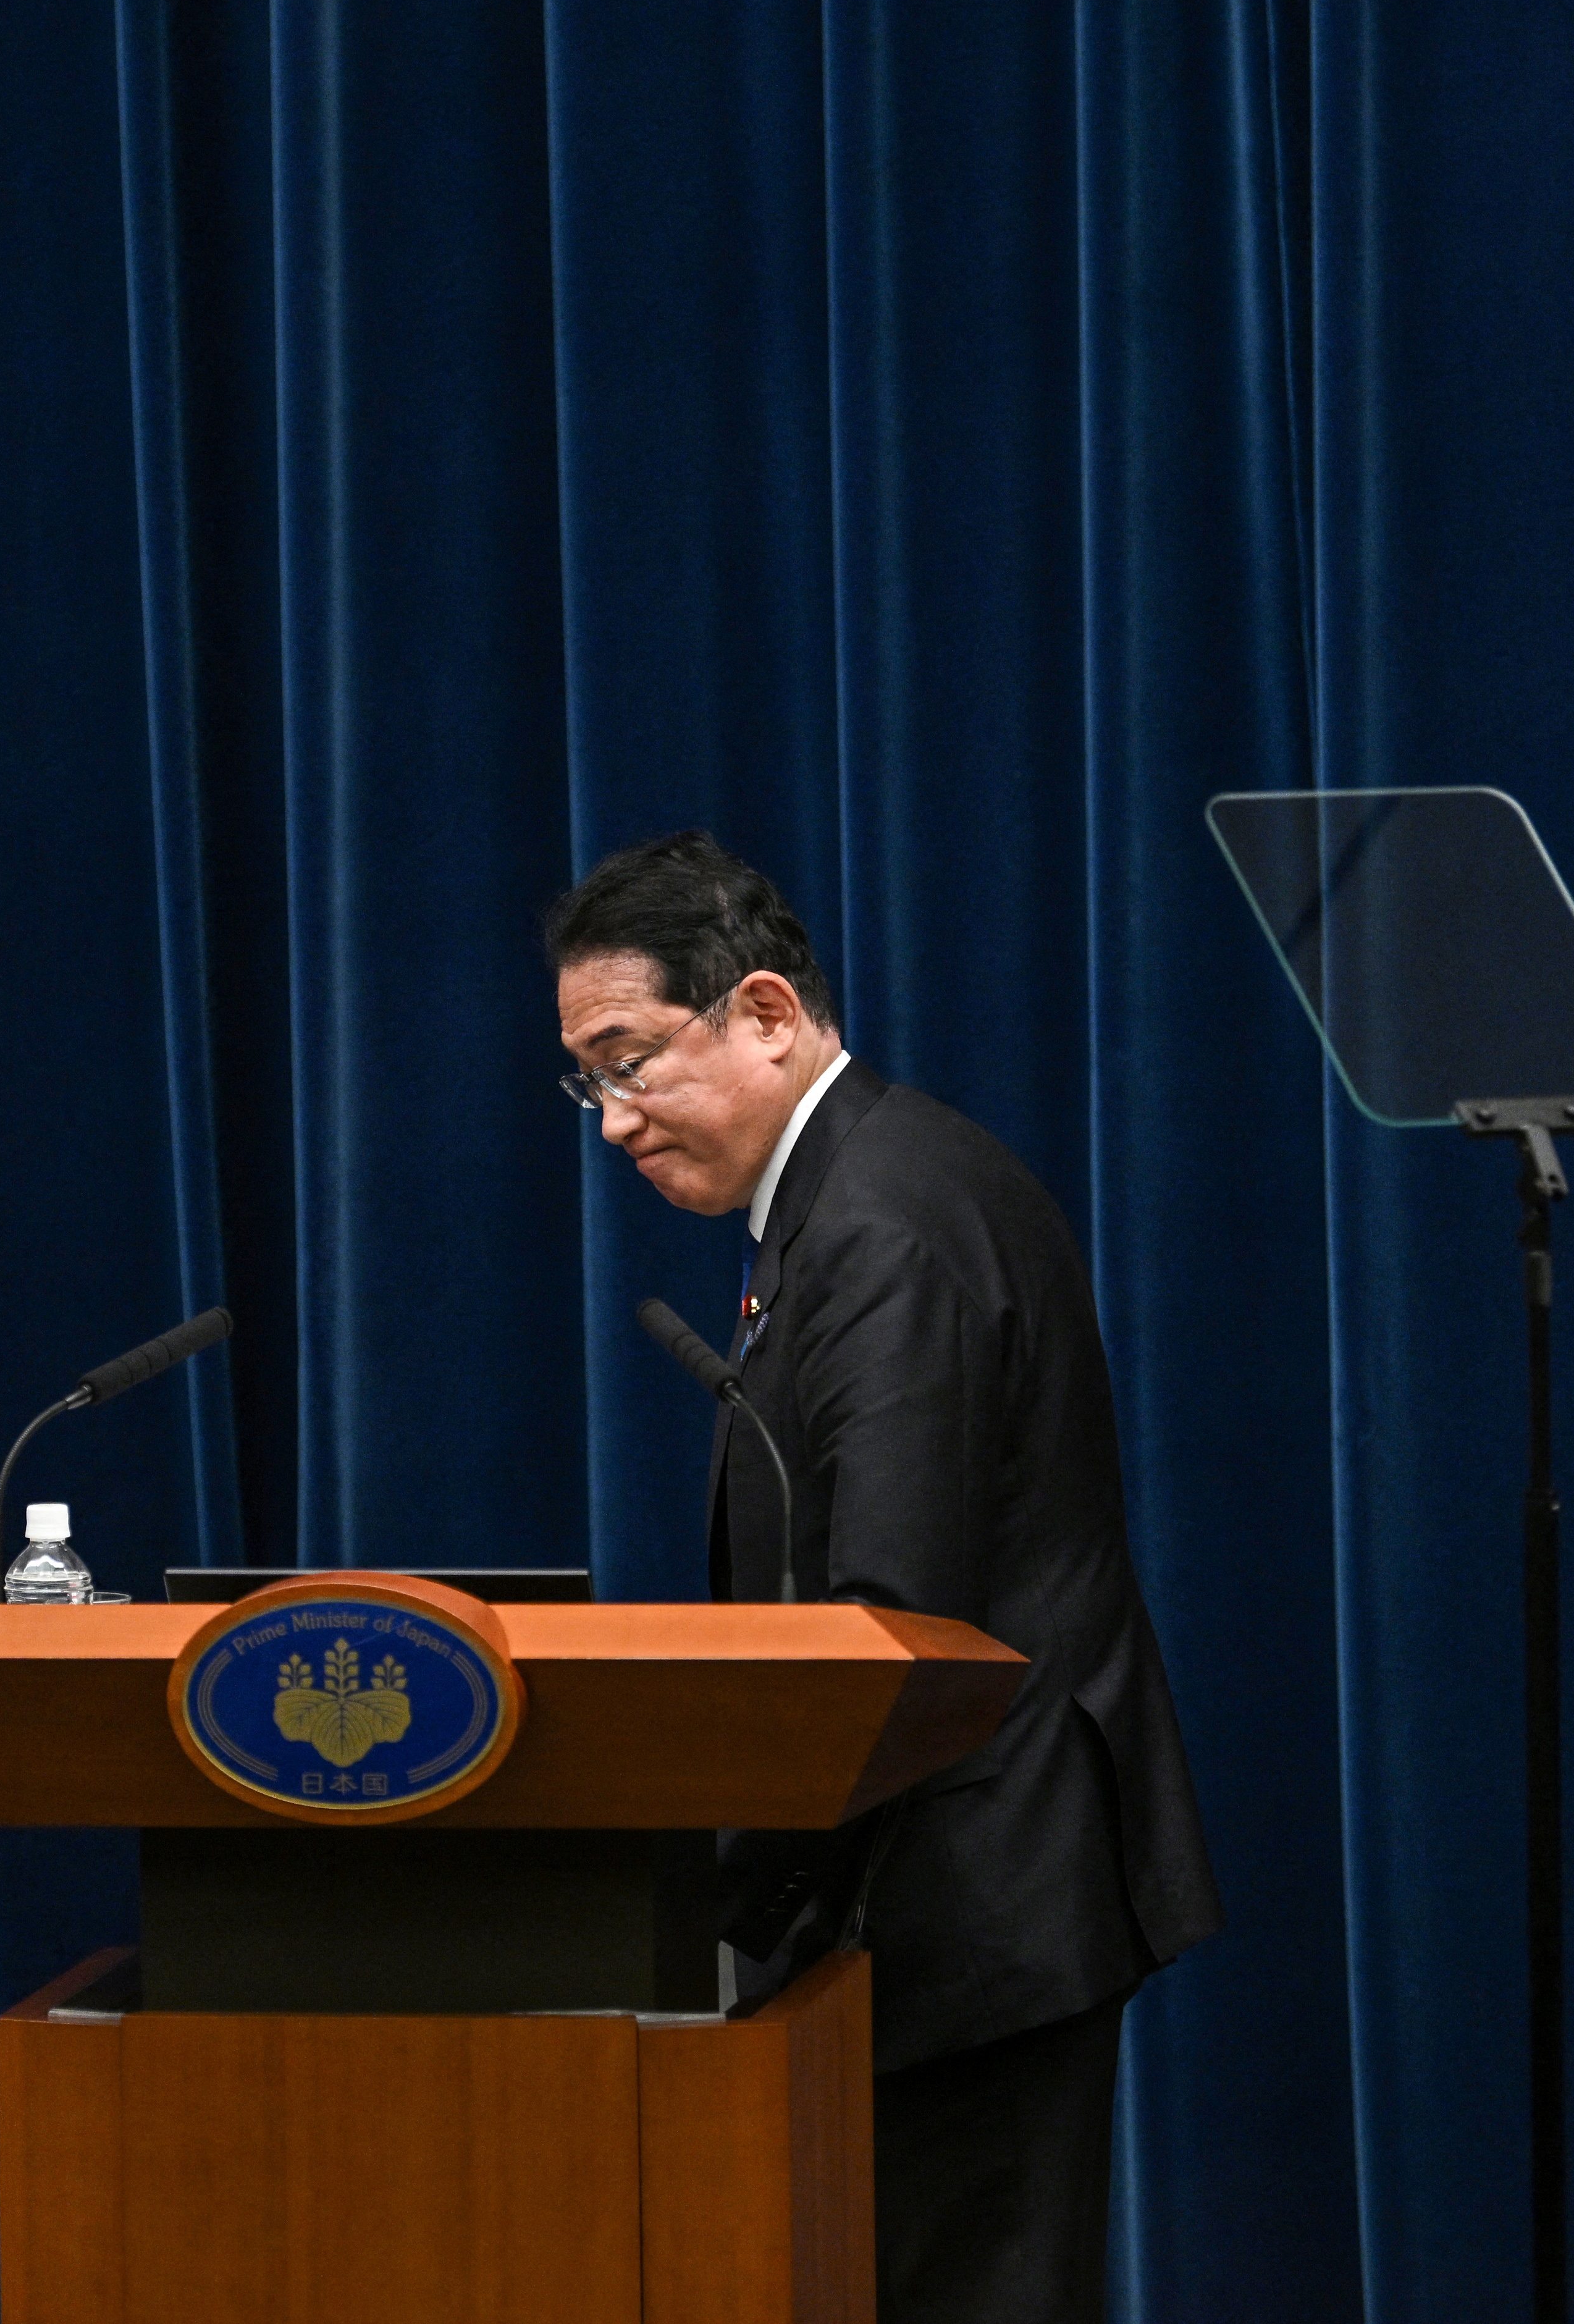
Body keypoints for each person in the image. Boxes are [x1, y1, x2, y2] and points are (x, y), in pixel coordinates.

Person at [545, 830, 1221, 2324]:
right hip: (963, 1889)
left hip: (972, 1906)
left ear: (768, 1012)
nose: (612, 1120)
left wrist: (729, 1917)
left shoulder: (883, 1224)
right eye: (587, 1080)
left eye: (632, 1060)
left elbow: (887, 1634)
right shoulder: (862, 1186)